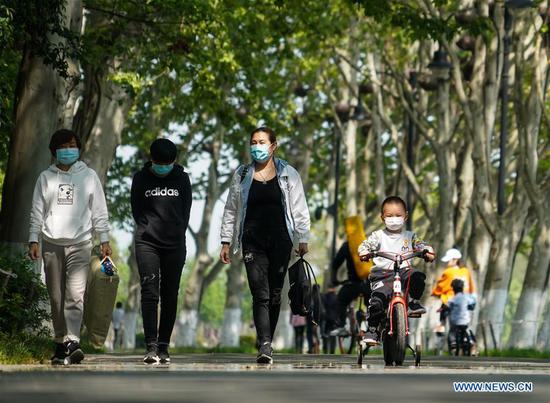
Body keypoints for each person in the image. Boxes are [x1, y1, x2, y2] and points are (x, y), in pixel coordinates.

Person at [220, 126, 311, 364]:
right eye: (253, 142)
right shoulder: (241, 174)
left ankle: (266, 338)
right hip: (252, 240)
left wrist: (303, 238)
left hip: (281, 239)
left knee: (275, 293)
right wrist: (225, 240)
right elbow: (230, 209)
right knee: (259, 292)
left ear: (273, 146)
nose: (256, 146)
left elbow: (299, 208)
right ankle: (265, 343)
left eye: (262, 142)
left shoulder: (288, 174)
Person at [28, 129, 112, 365]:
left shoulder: (89, 176)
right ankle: (59, 341)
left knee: (75, 295)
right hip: (51, 243)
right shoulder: (45, 177)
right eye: (63, 146)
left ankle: (73, 340)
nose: (68, 149)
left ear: (79, 148)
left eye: (73, 144)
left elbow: (99, 211)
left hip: (81, 242)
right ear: (54, 151)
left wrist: (104, 239)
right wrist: (33, 238)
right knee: (56, 296)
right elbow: (36, 210)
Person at [131, 138, 192, 364]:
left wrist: (174, 231)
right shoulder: (140, 178)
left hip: (175, 244)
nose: (163, 167)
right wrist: (149, 228)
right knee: (149, 292)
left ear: (174, 161)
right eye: (159, 162)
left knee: (169, 295)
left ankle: (164, 347)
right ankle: (151, 346)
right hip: (147, 242)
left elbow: (186, 210)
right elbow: (136, 209)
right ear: (151, 159)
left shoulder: (182, 179)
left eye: (167, 163)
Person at [358, 196, 435, 345]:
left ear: (405, 216)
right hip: (382, 274)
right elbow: (364, 246)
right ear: (382, 217)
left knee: (418, 276)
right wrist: (364, 252)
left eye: (398, 215)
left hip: (404, 272)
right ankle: (372, 329)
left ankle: (413, 303)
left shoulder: (410, 236)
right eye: (389, 216)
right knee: (376, 302)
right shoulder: (378, 236)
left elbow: (421, 245)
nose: (394, 219)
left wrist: (427, 251)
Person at [329, 241, 371, 337]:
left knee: (341, 301)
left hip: (353, 284)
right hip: (369, 284)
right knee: (372, 303)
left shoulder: (348, 244)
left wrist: (334, 279)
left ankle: (342, 326)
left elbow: (336, 263)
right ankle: (373, 328)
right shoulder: (370, 242)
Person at [431, 248, 476, 333]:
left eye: (449, 260)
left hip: (451, 299)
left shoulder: (448, 272)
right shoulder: (466, 271)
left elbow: (441, 286)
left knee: (444, 305)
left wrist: (435, 293)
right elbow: (471, 286)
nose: (447, 262)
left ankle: (441, 325)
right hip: (466, 299)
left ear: (455, 260)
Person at [447, 279, 477, 352]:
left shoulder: (452, 299)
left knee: (451, 332)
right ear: (462, 288)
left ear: (453, 289)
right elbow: (472, 305)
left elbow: (447, 307)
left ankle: (453, 342)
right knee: (469, 330)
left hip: (455, 322)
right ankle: (471, 342)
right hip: (466, 321)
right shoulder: (467, 297)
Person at [321, 285, 338, 354]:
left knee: (325, 334)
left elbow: (323, 307)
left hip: (326, 318)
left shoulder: (325, 297)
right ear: (333, 289)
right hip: (334, 319)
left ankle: (325, 350)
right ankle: (332, 351)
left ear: (328, 289)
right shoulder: (336, 297)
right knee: (333, 335)